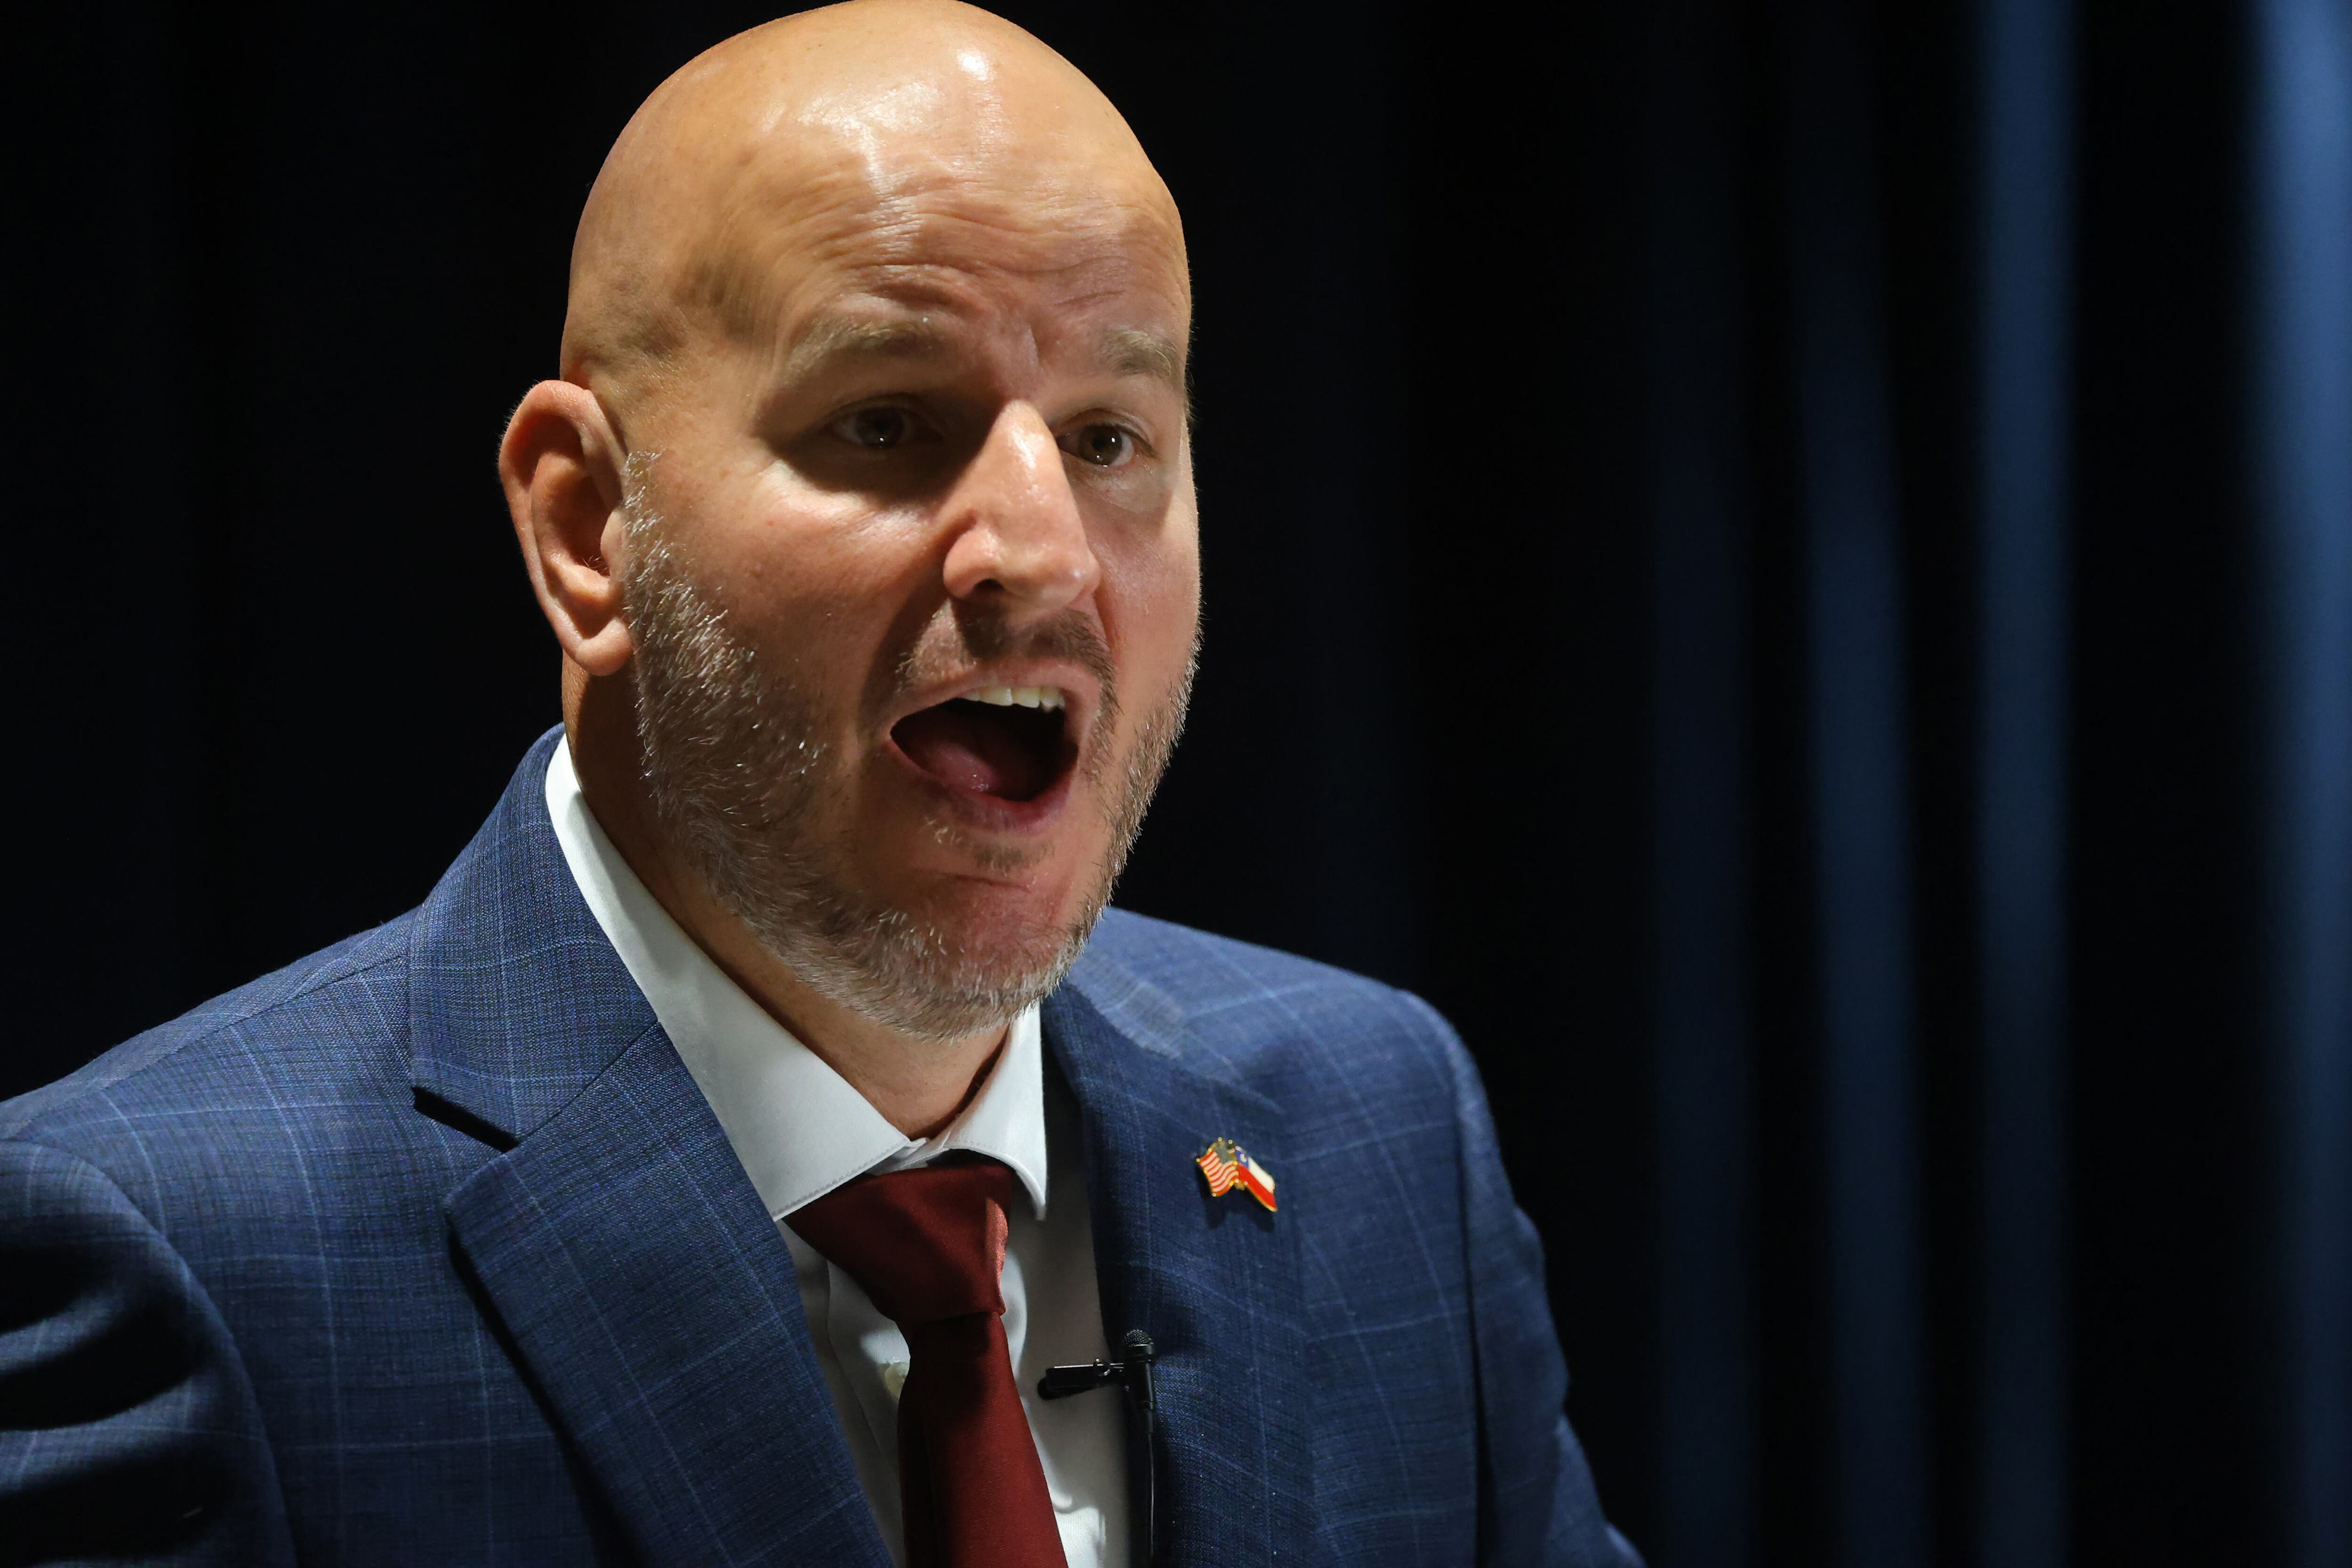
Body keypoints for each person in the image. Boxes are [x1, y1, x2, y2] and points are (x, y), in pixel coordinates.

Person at [0, 4, 1636, 1564]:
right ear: (588, 526)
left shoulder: (1378, 1128)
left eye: (1111, 438)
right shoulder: (172, 1256)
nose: (1043, 554)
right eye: (888, 424)